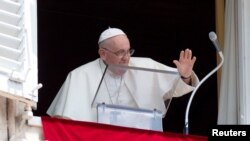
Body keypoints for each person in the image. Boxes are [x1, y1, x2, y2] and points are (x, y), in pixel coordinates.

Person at [47, 27, 199, 122]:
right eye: (120, 53)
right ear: (103, 54)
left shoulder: (146, 66)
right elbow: (64, 119)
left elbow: (175, 87)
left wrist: (185, 76)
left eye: (129, 51)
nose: (127, 57)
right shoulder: (80, 75)